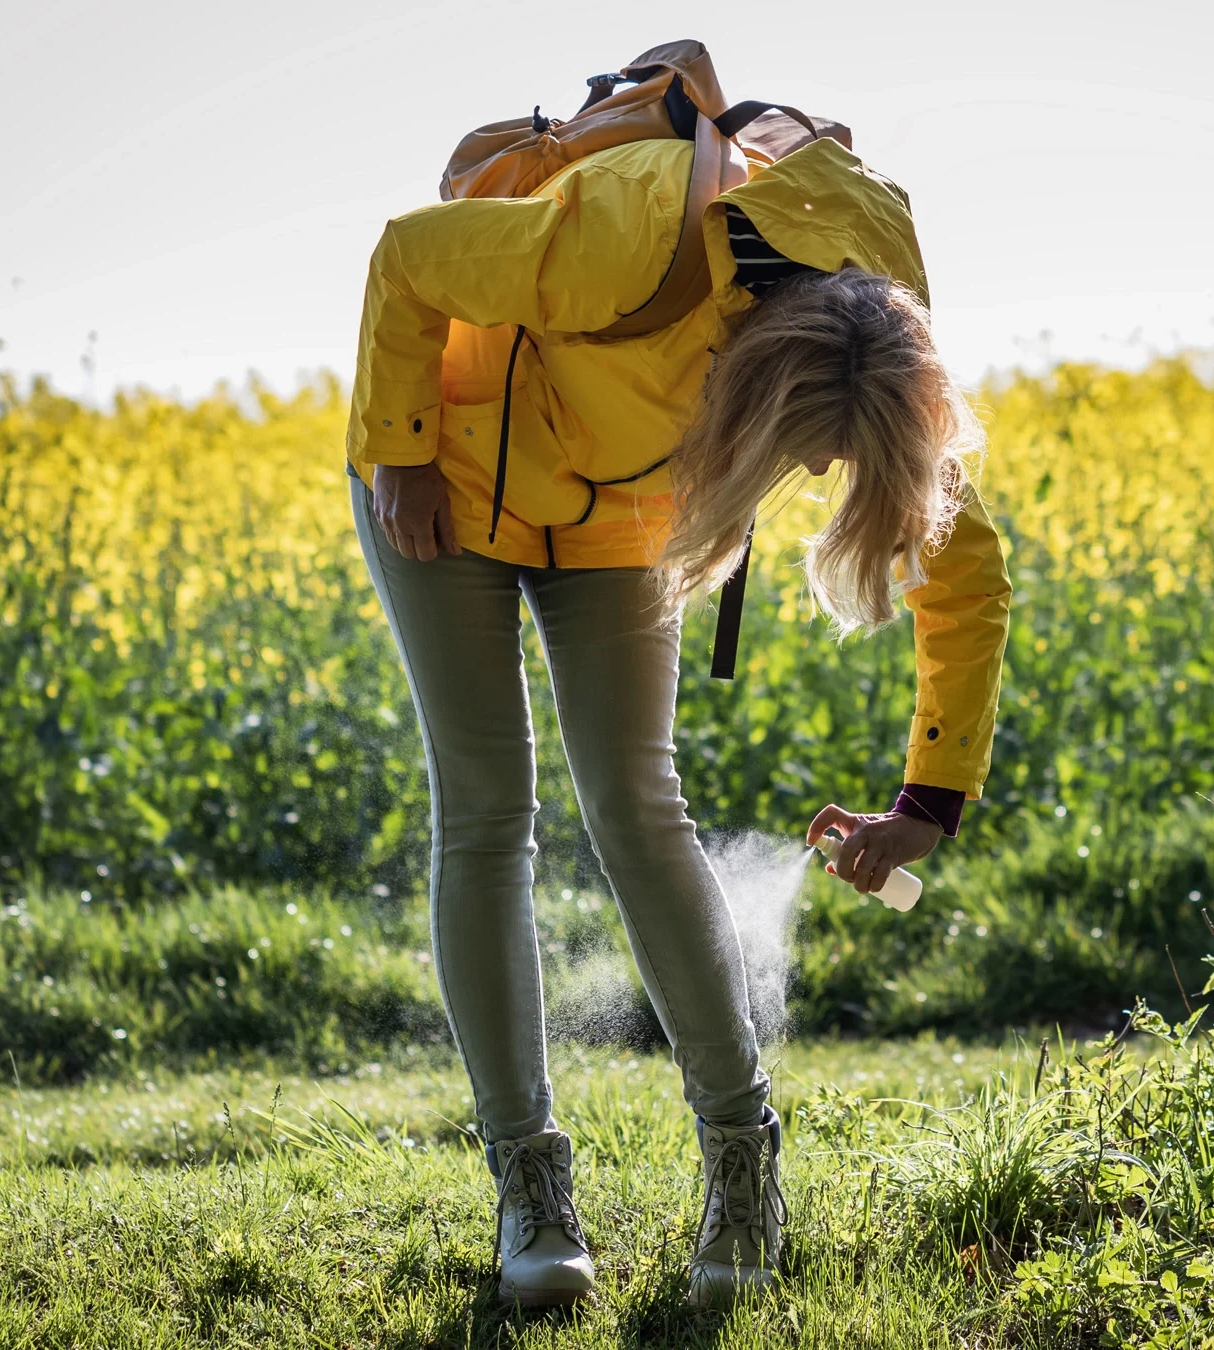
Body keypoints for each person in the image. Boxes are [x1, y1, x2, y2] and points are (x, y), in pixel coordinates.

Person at [342, 115, 1011, 1309]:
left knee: (639, 809)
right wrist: (398, 450)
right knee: (488, 813)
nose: (809, 482)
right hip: (442, 471)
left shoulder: (879, 311)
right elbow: (409, 255)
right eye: (800, 457)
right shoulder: (625, 240)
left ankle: (743, 1162)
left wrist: (928, 802)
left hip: (613, 508)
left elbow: (958, 567)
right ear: (747, 401)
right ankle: (529, 1182)